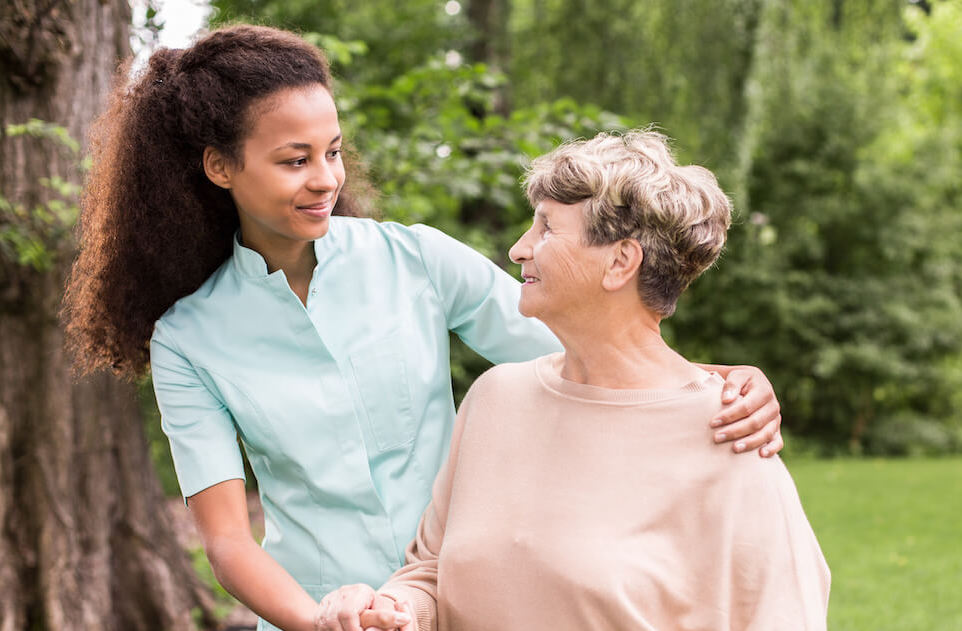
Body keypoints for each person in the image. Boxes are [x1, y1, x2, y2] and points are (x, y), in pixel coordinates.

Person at [63, 26, 785, 631]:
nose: (325, 179)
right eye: (294, 160)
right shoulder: (191, 339)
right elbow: (226, 540)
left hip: (457, 604)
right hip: (317, 612)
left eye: (334, 151)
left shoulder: (415, 258)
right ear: (220, 167)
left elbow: (596, 349)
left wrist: (718, 382)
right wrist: (317, 619)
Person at [320, 130, 830, 631]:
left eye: (546, 228)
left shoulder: (732, 436)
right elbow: (430, 573)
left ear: (620, 261)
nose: (520, 249)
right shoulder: (497, 397)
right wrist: (393, 612)